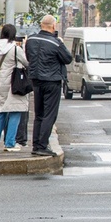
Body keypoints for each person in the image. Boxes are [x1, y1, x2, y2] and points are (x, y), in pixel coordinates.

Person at [25, 15, 73, 157]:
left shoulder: (31, 40)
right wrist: (60, 42)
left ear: (41, 25)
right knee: (49, 115)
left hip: (36, 80)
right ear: (53, 26)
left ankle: (35, 145)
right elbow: (67, 58)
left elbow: (29, 58)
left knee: (38, 114)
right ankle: (42, 145)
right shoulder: (55, 43)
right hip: (52, 81)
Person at [0, 25, 29, 152]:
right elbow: (26, 62)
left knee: (1, 112)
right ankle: (10, 143)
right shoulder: (15, 49)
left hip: (0, 81)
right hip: (13, 82)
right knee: (15, 111)